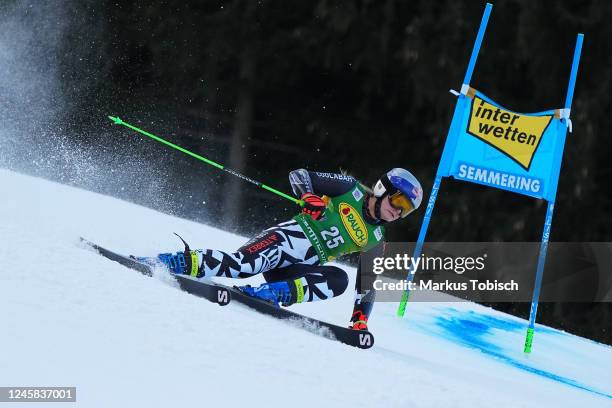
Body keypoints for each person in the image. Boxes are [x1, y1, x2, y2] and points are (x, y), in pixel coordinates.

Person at [141, 168, 422, 330]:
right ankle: (172, 261)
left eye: (407, 210)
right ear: (382, 189)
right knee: (241, 267)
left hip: (296, 270)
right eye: (399, 202)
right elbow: (300, 175)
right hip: (284, 241)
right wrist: (308, 196)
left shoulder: (376, 237)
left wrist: (360, 320)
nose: (399, 212)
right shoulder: (350, 189)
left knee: (340, 279)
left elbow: (367, 284)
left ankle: (271, 294)